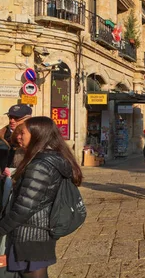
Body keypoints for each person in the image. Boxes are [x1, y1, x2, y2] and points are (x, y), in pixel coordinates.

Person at [0, 116, 83, 278]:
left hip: (31, 235)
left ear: (37, 134)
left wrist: (1, 229)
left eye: (22, 133)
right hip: (38, 233)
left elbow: (24, 207)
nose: (18, 136)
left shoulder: (40, 165)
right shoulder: (50, 158)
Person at [0, 104, 33, 177]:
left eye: (17, 118)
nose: (12, 121)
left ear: (28, 118)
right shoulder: (1, 135)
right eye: (10, 117)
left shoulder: (36, 138)